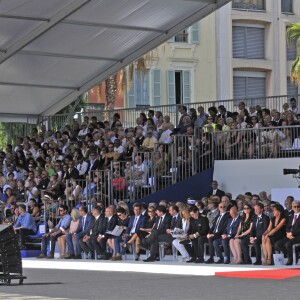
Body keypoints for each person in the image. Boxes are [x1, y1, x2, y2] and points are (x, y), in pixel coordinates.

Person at [275, 200, 300, 265]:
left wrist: (292, 233)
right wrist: (288, 232)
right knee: (278, 244)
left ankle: (290, 260)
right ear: (292, 207)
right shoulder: (291, 216)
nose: (296, 208)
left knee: (288, 244)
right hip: (289, 235)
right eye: (295, 207)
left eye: (298, 206)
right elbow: (288, 226)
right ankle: (293, 255)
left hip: (298, 236)